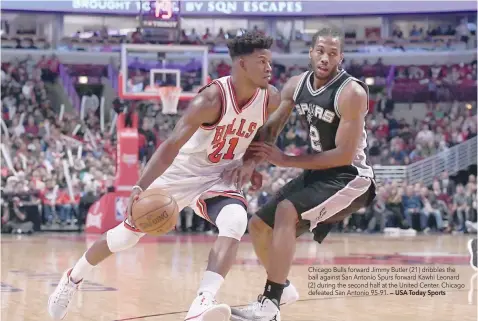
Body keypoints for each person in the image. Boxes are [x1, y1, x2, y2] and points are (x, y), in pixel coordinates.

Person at [47, 31, 300, 321]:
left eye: (270, 61)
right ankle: (73, 278)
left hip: (219, 176)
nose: (270, 67)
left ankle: (202, 302)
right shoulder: (210, 100)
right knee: (124, 238)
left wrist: (250, 163)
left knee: (235, 220)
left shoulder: (270, 98)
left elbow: (264, 135)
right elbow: (170, 146)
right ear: (242, 64)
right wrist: (139, 186)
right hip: (180, 173)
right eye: (262, 61)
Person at [229, 27, 376, 321]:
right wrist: (251, 162)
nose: (325, 58)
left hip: (350, 177)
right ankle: (283, 288)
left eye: (332, 53)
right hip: (318, 174)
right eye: (320, 51)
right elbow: (271, 129)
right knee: (258, 226)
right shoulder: (297, 85)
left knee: (285, 211)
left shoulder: (352, 93)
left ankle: (270, 305)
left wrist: (285, 160)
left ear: (340, 57)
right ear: (311, 52)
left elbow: (344, 155)